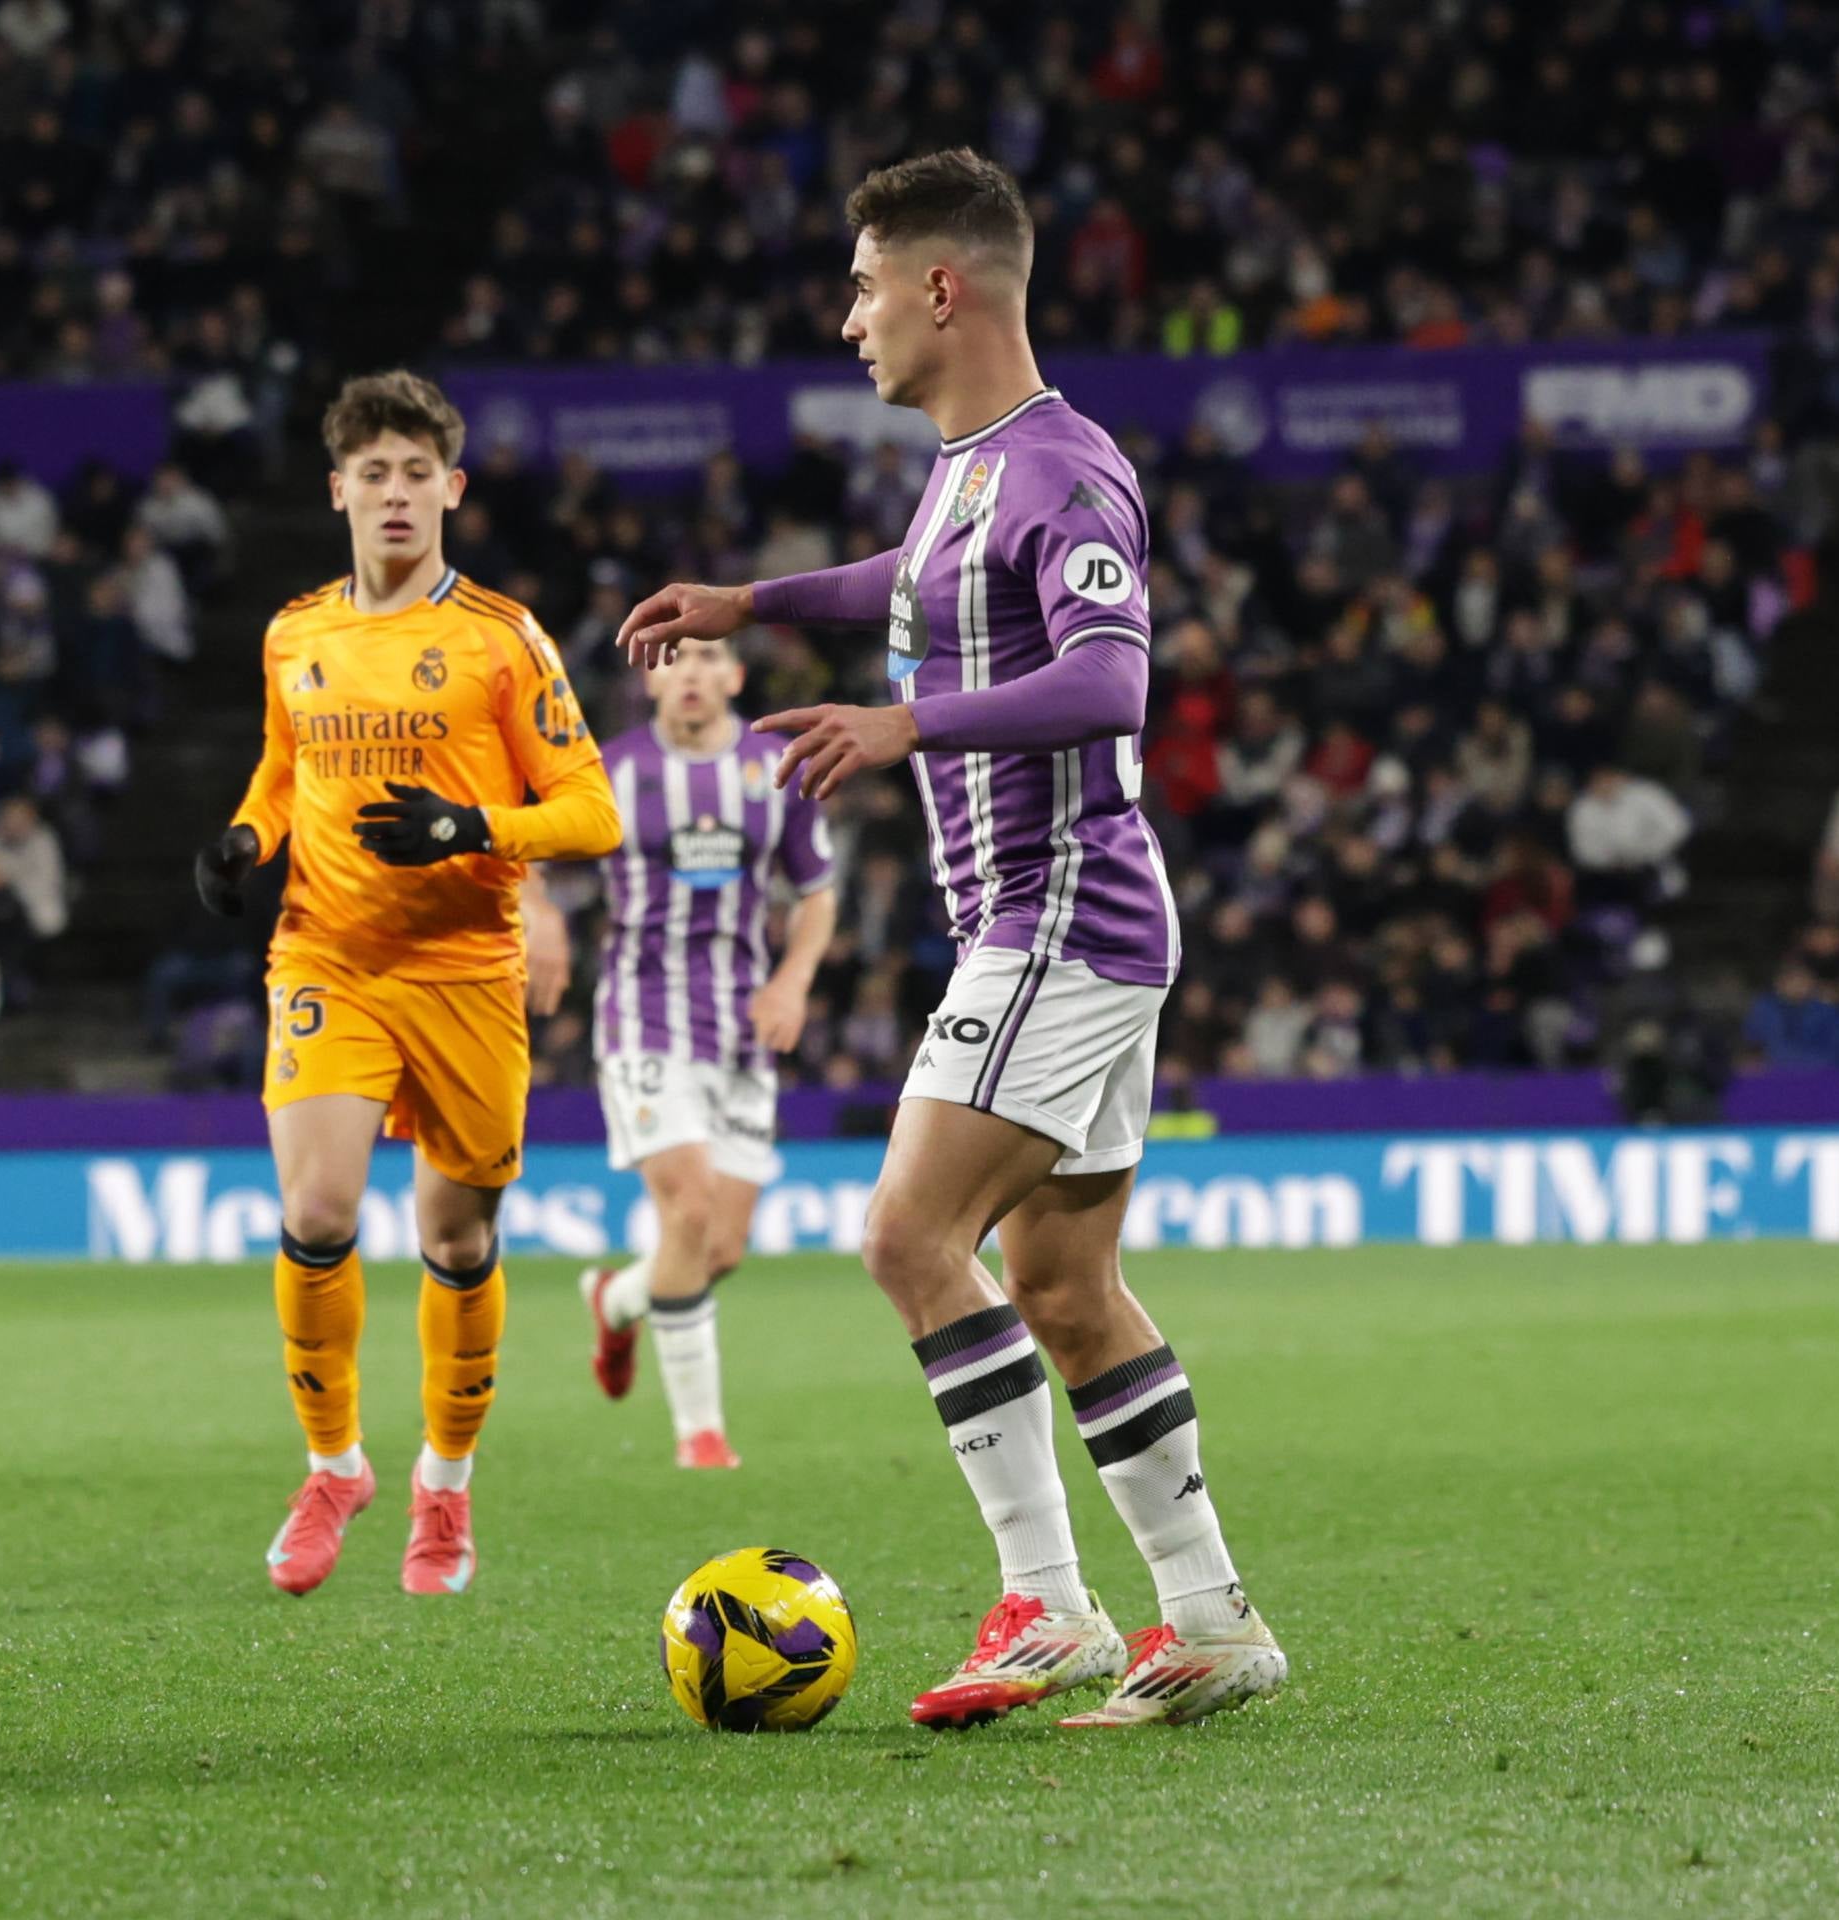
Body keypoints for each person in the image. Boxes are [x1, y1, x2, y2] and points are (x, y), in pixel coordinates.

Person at [615, 148, 1283, 1729]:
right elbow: (915, 585)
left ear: (940, 288)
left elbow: (1111, 681)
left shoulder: (1061, 469)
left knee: (907, 1241)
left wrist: (902, 723)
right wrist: (750, 601)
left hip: (1057, 909)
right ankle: (1208, 1622)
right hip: (1053, 917)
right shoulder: (967, 465)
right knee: (1058, 1287)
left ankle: (1048, 1606)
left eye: (859, 288)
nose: (845, 321)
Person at [195, 371, 620, 1598]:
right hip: (327, 956)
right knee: (319, 1211)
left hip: (463, 971)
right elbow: (280, 769)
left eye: (414, 471)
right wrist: (245, 840)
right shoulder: (293, 632)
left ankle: (444, 1485)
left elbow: (588, 811)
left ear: (452, 488)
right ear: (337, 491)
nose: (393, 492)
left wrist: (469, 828)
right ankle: (334, 1466)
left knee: (454, 1232)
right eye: (370, 472)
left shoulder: (498, 636)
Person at [564, 636, 837, 1469]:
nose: (688, 671)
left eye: (707, 656)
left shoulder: (773, 769)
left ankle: (617, 1299)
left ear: (734, 677)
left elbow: (817, 890)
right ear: (649, 678)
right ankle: (701, 1437)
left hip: (741, 1028)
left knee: (717, 1249)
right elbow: (532, 854)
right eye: (671, 658)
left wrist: (791, 982)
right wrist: (538, 916)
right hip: (642, 1018)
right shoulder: (608, 770)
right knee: (685, 1213)